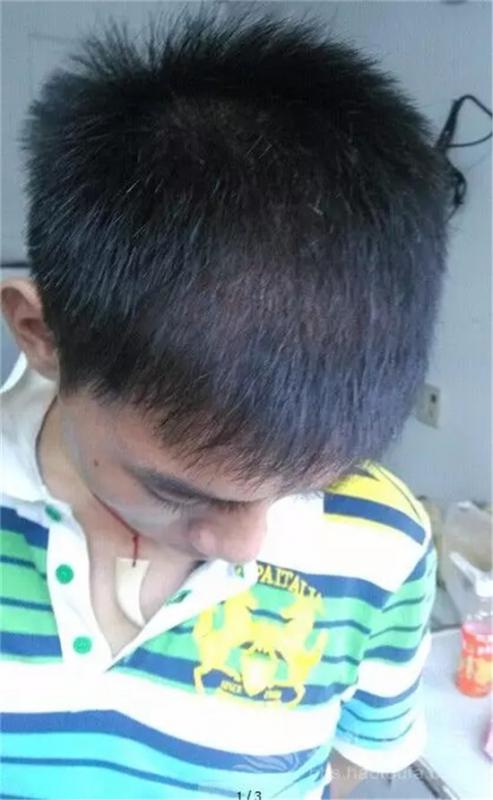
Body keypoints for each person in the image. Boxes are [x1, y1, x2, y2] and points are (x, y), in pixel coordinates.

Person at [0, 5, 449, 799]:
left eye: (305, 485)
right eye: (177, 490)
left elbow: (354, 754)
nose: (247, 547)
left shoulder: (383, 545)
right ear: (41, 334)